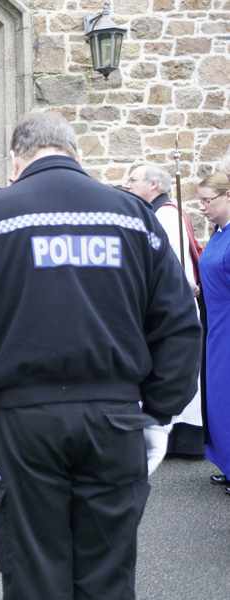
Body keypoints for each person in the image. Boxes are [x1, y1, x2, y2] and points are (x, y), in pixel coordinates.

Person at [0, 112, 201, 600]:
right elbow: (180, 322)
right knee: (109, 571)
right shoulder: (131, 215)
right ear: (76, 153)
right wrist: (162, 410)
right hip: (115, 414)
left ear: (16, 160)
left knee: (34, 569)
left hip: (24, 420)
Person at [125, 163, 204, 457]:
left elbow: (174, 264)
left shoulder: (166, 214)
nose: (128, 185)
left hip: (173, 304)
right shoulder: (154, 213)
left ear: (154, 185)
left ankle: (182, 437)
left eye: (134, 180)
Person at [197, 172, 230, 496]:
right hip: (216, 326)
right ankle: (227, 462)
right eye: (200, 201)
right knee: (218, 397)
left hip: (228, 327)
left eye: (208, 200)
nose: (202, 206)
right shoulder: (219, 234)